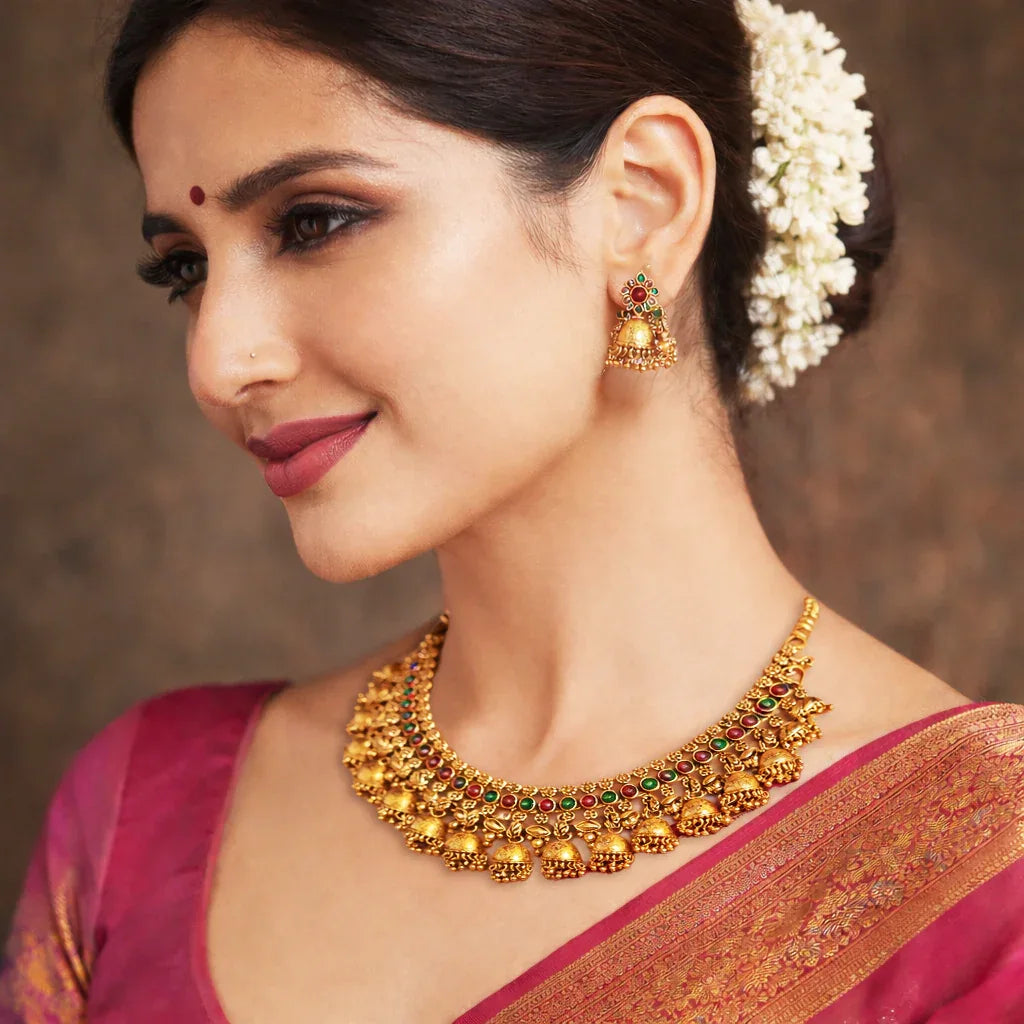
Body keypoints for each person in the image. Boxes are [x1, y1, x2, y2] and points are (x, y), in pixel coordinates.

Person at [3, 0, 1023, 1021]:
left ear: (642, 206)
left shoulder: (984, 886)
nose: (220, 363)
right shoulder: (143, 815)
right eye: (185, 267)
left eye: (313, 222)